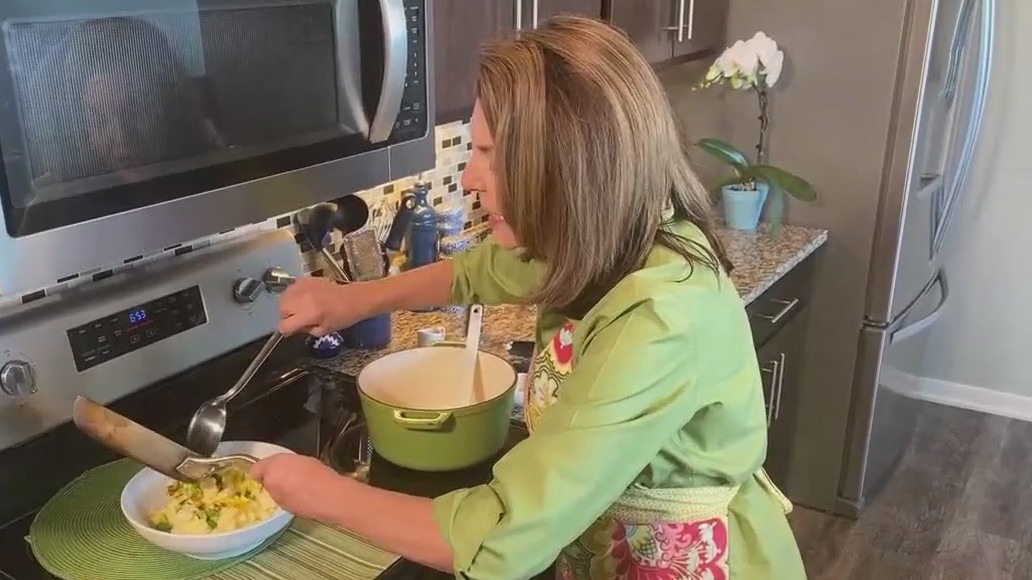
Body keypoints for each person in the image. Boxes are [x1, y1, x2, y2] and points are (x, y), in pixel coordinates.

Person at [252, 15, 806, 580]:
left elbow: (502, 539)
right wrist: (352, 301)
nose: (469, 178)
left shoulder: (663, 316)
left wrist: (324, 494)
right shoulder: (597, 237)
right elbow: (477, 272)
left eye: (489, 154)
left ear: (569, 164)